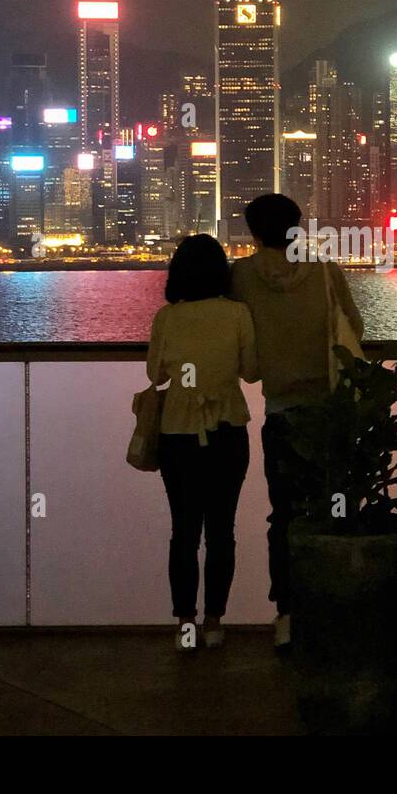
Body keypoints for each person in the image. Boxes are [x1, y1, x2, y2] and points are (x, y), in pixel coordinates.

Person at [229, 194, 363, 650]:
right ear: (297, 229)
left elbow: (236, 340)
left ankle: (287, 614)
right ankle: (332, 610)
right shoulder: (324, 271)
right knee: (334, 508)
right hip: (329, 408)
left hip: (283, 412)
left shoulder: (241, 277)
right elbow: (354, 329)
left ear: (254, 233)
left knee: (284, 515)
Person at [147, 234, 258, 652]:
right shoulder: (237, 313)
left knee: (183, 532)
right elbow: (250, 372)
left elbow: (155, 373)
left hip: (177, 431)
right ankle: (214, 621)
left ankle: (184, 625)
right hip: (227, 428)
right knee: (222, 531)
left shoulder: (167, 318)